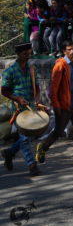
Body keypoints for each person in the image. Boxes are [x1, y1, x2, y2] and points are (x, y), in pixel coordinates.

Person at [35, 39, 73, 165]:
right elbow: (52, 90)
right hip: (63, 105)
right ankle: (42, 148)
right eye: (69, 50)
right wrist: (56, 106)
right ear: (64, 52)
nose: (72, 52)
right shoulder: (60, 66)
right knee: (58, 132)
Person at [1, 42, 45, 176]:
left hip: (30, 107)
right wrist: (17, 99)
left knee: (29, 136)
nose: (28, 56)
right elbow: (4, 91)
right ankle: (32, 165)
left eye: (29, 53)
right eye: (25, 53)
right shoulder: (10, 71)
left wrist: (37, 98)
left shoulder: (32, 69)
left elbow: (36, 87)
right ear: (18, 54)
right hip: (17, 109)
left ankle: (9, 152)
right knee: (24, 138)